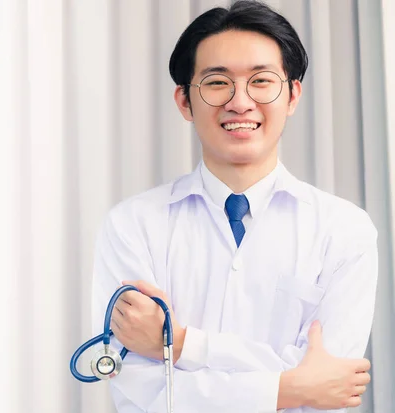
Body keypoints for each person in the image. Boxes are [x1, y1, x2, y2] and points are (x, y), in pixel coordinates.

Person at [90, 1, 377, 412]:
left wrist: (182, 344)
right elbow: (145, 394)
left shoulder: (345, 228)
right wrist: (291, 387)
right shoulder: (133, 225)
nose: (240, 102)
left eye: (261, 81)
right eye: (217, 82)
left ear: (292, 95)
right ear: (185, 102)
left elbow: (332, 380)